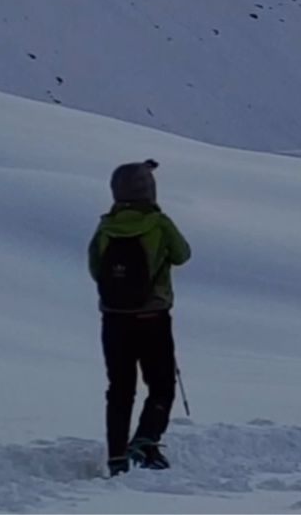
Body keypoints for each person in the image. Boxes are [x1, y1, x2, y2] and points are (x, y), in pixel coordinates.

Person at [87, 159, 191, 476]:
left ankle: (116, 457)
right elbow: (183, 255)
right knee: (160, 386)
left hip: (114, 319)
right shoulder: (158, 223)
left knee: (119, 388)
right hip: (153, 316)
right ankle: (145, 442)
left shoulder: (105, 227)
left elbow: (96, 270)